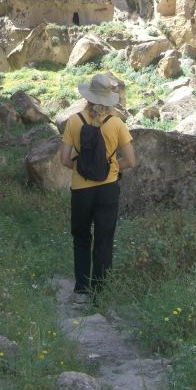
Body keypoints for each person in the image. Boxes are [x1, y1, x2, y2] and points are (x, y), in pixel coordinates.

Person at [60, 73, 136, 303]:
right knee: (104, 239)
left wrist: (83, 166)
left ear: (88, 97)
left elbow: (64, 160)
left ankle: (81, 289)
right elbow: (131, 161)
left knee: (81, 237)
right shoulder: (116, 124)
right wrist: (111, 166)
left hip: (81, 190)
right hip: (108, 189)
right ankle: (100, 295)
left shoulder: (74, 121)